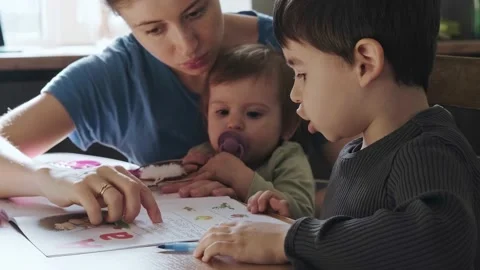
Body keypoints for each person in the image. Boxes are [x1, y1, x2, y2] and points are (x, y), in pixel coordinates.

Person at [193, 0, 480, 269]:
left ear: (365, 63)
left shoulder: (428, 153)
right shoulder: (360, 150)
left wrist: (291, 238)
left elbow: (439, 244)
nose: (294, 93)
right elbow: (357, 243)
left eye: (302, 73)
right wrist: (293, 220)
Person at [0, 0, 298, 225]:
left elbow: (343, 194)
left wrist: (254, 192)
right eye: (154, 29)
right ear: (124, 21)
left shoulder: (294, 44)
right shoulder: (115, 74)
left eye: (195, 12)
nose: (187, 45)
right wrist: (47, 177)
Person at [175, 44, 315, 219]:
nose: (233, 124)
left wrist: (240, 179)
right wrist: (185, 174)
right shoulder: (204, 155)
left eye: (253, 114)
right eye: (223, 112)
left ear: (287, 126)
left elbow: (302, 214)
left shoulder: (286, 158)